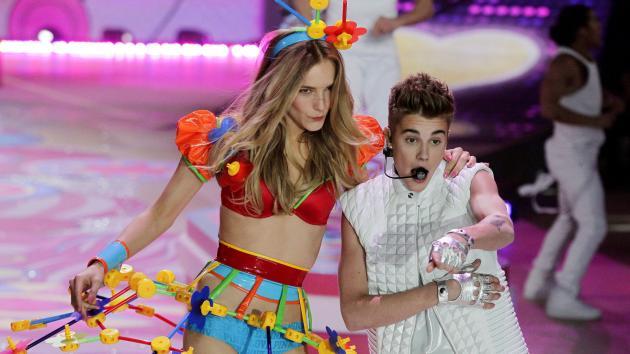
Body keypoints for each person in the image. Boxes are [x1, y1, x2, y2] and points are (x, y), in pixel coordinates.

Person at [67, 26, 476, 354]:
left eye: (328, 89)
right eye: (306, 91)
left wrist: (451, 160)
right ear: (279, 88)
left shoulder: (344, 151)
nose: (321, 104)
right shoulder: (225, 142)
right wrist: (101, 265)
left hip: (288, 321)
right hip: (220, 309)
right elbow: (160, 214)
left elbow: (415, 161)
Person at [338, 73, 527, 353]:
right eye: (412, 140)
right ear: (390, 138)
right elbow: (355, 315)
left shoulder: (469, 177)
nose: (424, 155)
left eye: (435, 141)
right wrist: (444, 291)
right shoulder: (358, 206)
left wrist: (463, 238)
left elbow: (501, 225)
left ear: (447, 139)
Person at [523, 4, 625, 321]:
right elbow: (549, 108)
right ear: (581, 29)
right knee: (593, 225)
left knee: (568, 219)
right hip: (573, 158)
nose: (599, 26)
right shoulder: (566, 62)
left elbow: (576, 96)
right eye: (594, 21)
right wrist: (597, 119)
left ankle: (537, 284)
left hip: (578, 155)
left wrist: (606, 100)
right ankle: (564, 294)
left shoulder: (582, 61)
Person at [295, 0, 435, 127]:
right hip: (343, 52)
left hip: (383, 54)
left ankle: (382, 155)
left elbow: (426, 8)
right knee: (345, 117)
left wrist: (395, 22)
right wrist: (316, 26)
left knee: (386, 119)